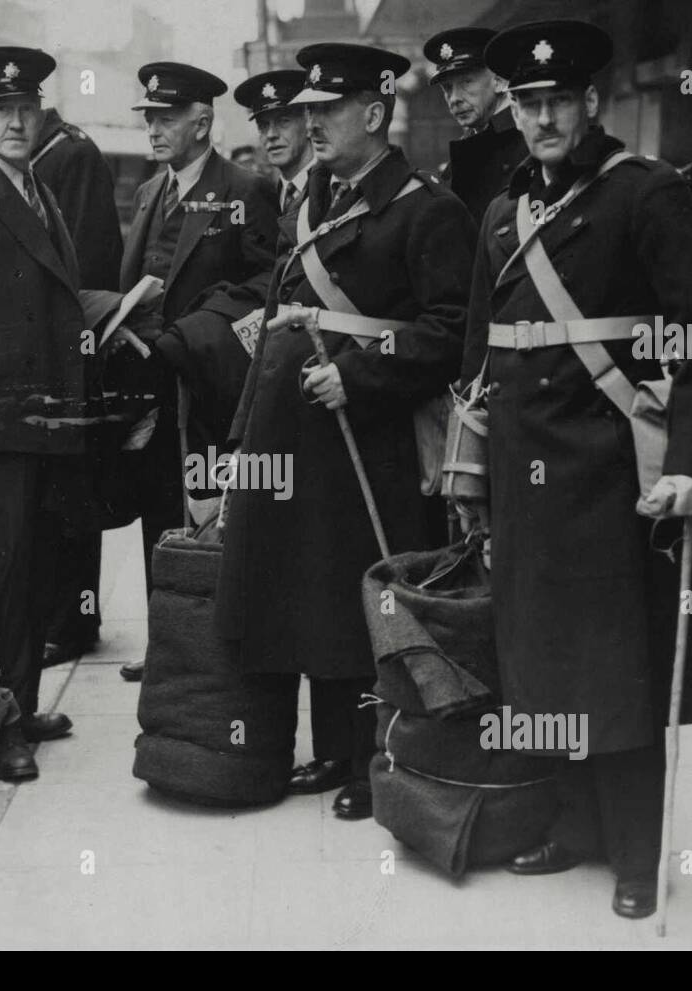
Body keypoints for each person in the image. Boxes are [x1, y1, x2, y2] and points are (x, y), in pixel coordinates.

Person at [463, 20, 692, 917]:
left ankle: (637, 853)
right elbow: (480, 354)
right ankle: (574, 826)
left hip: (612, 475)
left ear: (592, 104)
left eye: (557, 101)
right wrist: (468, 472)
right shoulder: (505, 212)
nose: (542, 118)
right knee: (539, 661)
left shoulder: (647, 195)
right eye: (527, 103)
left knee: (616, 663)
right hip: (523, 478)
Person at [216, 43, 477, 820]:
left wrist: (360, 375)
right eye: (308, 112)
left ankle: (377, 758)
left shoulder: (429, 210)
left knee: (372, 599)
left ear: (372, 113)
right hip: (300, 440)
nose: (310, 123)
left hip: (376, 444)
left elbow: (451, 330)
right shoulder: (310, 204)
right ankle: (332, 748)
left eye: (326, 111)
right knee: (315, 594)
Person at [0, 46, 144, 780]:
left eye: (24, 108)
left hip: (50, 422)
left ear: (40, 114)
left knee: (40, 572)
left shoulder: (38, 190)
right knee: (2, 578)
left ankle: (25, 702)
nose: (14, 121)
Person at [117, 62, 279, 683]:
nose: (153, 130)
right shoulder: (151, 191)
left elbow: (268, 286)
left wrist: (199, 334)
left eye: (165, 119)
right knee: (160, 514)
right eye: (149, 118)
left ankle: (220, 651)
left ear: (202, 121)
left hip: (212, 390)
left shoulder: (244, 189)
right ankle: (167, 646)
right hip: (154, 391)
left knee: (214, 516)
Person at [29, 106, 126, 668]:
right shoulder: (36, 154)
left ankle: (72, 621)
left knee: (68, 495)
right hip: (36, 356)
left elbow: (87, 261)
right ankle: (56, 617)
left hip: (68, 353)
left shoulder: (72, 153)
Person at [423, 26, 527, 223]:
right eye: (447, 88)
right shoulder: (472, 141)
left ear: (499, 81)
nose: (454, 99)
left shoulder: (526, 139)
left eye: (466, 83)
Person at [234, 70, 314, 216]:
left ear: (308, 122)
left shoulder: (332, 188)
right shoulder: (267, 196)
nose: (271, 134)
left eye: (283, 121)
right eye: (263, 125)